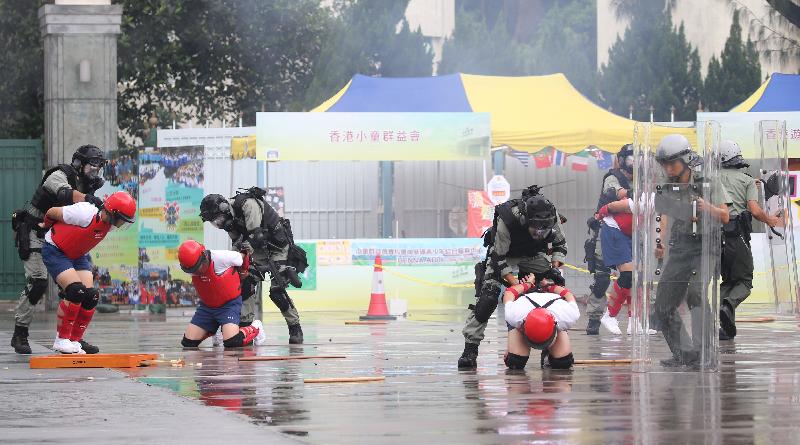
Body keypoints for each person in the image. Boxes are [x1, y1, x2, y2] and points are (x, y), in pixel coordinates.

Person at [10, 145, 107, 354]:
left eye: (98, 168)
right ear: (79, 164)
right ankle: (20, 332)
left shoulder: (89, 183)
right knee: (38, 281)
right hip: (36, 232)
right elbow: (64, 194)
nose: (95, 172)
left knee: (78, 289)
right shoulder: (58, 175)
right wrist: (87, 198)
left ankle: (72, 338)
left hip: (61, 237)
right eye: (92, 167)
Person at [458, 187, 568, 369]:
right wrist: (519, 286)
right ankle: (470, 350)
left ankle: (551, 349)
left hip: (533, 255)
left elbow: (560, 245)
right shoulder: (507, 219)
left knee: (554, 291)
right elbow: (499, 258)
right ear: (525, 220)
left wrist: (552, 272)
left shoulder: (551, 215)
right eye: (536, 229)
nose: (540, 234)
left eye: (544, 230)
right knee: (488, 297)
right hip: (504, 255)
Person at [652, 134, 730, 367]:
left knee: (696, 293)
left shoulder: (708, 181)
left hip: (706, 245)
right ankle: (684, 353)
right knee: (663, 304)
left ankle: (705, 353)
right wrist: (660, 242)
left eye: (672, 162)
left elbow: (725, 216)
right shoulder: (666, 185)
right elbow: (664, 215)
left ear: (686, 160)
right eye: (664, 163)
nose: (667, 168)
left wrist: (708, 208)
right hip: (681, 246)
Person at [200, 188, 305, 344]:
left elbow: (256, 236)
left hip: (277, 249)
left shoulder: (247, 204)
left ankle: (294, 327)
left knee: (277, 292)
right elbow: (237, 244)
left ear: (224, 208)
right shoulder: (230, 222)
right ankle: (246, 328)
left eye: (218, 219)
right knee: (245, 284)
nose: (219, 224)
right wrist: (231, 262)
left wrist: (238, 256)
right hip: (257, 251)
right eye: (215, 222)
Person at [39, 191, 136, 354]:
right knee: (75, 291)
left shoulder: (110, 224)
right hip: (56, 249)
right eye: (121, 220)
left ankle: (75, 340)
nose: (120, 225)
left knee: (91, 296)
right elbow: (51, 212)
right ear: (112, 212)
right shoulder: (84, 213)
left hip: (77, 254)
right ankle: (61, 339)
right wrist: (44, 227)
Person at [718, 140, 782, 340]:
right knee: (744, 281)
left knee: (727, 281)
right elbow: (754, 210)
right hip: (736, 236)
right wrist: (771, 219)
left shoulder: (710, 178)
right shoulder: (746, 181)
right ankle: (727, 305)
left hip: (713, 237)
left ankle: (726, 326)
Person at [177, 240, 266, 349]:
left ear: (204, 256)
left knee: (232, 342)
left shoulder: (222, 258)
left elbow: (243, 256)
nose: (196, 272)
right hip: (207, 307)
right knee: (188, 343)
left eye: (198, 267)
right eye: (192, 270)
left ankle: (256, 327)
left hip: (228, 305)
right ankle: (217, 329)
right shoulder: (191, 267)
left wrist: (243, 273)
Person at [585, 144, 634, 335]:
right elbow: (613, 192)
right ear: (622, 161)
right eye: (631, 158)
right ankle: (595, 318)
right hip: (607, 231)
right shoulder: (613, 177)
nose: (634, 163)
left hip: (630, 233)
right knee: (601, 279)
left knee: (632, 277)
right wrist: (632, 195)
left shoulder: (641, 179)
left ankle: (634, 319)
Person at [595, 197, 657, 335]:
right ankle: (610, 316)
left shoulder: (659, 206)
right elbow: (611, 206)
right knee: (628, 275)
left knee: (637, 277)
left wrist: (656, 246)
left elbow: (652, 227)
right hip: (614, 229)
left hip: (629, 234)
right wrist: (601, 213)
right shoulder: (644, 201)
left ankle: (634, 322)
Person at [502, 273, 580, 370]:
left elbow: (567, 294)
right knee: (515, 362)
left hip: (550, 299)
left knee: (563, 363)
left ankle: (549, 352)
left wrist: (550, 287)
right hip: (526, 297)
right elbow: (509, 293)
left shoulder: (566, 315)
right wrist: (528, 284)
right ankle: (516, 348)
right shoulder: (516, 314)